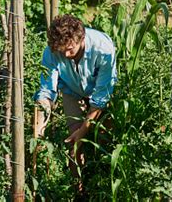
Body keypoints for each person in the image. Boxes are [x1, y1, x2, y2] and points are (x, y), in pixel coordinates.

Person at [33, 14, 117, 193]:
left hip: (98, 91)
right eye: (61, 50)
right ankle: (78, 190)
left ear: (81, 38)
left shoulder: (103, 49)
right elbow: (47, 90)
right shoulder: (52, 51)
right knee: (74, 144)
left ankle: (102, 185)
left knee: (103, 138)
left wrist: (84, 131)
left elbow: (101, 97)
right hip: (71, 90)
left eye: (70, 49)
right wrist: (40, 125)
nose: (65, 54)